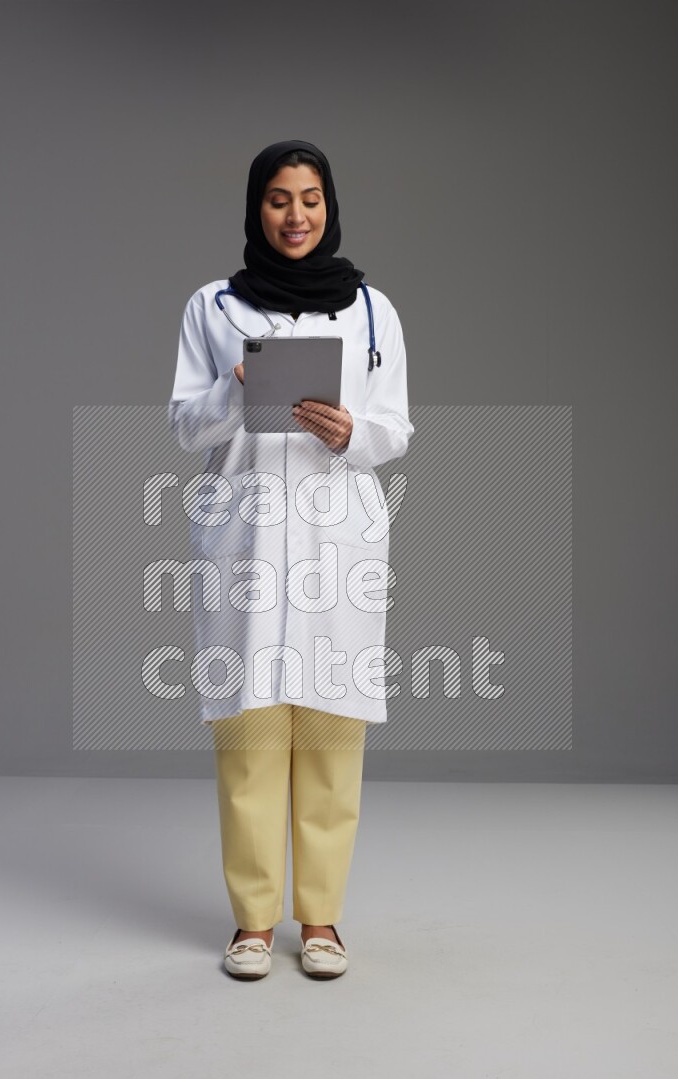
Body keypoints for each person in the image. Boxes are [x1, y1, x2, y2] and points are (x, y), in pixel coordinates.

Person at [168, 139, 413, 979]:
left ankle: (322, 920)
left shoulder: (372, 310)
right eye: (279, 198)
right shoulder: (212, 306)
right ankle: (251, 920)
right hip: (245, 534)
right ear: (255, 207)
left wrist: (356, 434)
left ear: (329, 205)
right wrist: (236, 387)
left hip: (337, 538)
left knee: (332, 728)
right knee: (250, 731)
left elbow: (396, 428)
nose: (296, 215)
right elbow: (184, 427)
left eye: (310, 198)